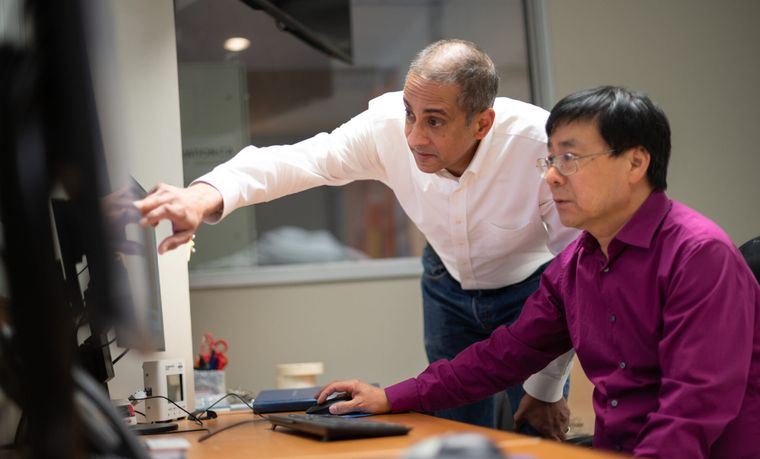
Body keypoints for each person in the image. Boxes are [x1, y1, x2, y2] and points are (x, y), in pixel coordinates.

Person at [135, 39, 579, 436]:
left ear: (482, 124)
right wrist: (203, 195)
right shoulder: (386, 129)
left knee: (535, 426)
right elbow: (301, 161)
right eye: (410, 114)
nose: (414, 136)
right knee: (454, 431)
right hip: (446, 284)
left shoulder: (538, 146)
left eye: (434, 121)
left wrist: (547, 386)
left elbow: (573, 274)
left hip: (534, 290)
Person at [314, 86, 760, 459]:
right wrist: (390, 397)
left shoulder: (698, 255)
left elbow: (694, 405)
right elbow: (503, 354)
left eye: (570, 159)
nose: (550, 178)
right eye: (550, 160)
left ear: (634, 164)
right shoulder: (576, 264)